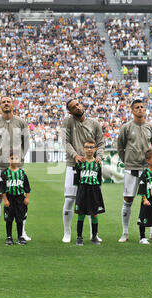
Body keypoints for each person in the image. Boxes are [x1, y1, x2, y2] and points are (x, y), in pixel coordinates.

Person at [0, 96, 30, 241]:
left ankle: (22, 232)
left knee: (19, 198)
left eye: (8, 102)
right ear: (0, 106)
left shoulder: (21, 123)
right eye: (3, 102)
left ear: (13, 105)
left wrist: (20, 158)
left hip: (17, 167)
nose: (6, 104)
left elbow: (26, 143)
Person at [61, 98, 105, 243]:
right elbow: (65, 142)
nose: (78, 108)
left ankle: (94, 234)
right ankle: (67, 233)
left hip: (91, 167)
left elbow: (101, 143)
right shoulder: (67, 122)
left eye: (78, 104)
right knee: (69, 200)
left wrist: (99, 157)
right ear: (70, 111)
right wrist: (75, 155)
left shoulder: (94, 123)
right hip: (73, 165)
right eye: (74, 107)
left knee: (92, 200)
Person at [117, 99, 152, 243]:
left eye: (142, 107)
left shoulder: (151, 127)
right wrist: (127, 161)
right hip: (131, 169)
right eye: (137, 107)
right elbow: (120, 147)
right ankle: (125, 232)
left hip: (146, 169)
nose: (140, 109)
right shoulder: (126, 127)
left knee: (151, 199)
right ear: (132, 110)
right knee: (128, 199)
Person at [74, 138, 105, 246]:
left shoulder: (97, 164)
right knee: (81, 214)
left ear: (95, 149)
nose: (89, 149)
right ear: (83, 149)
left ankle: (94, 236)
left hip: (94, 191)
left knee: (94, 214)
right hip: (82, 190)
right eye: (87, 147)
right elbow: (76, 180)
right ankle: (79, 237)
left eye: (91, 147)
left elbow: (99, 180)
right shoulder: (79, 163)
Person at [0, 150, 31, 246]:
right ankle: (9, 237)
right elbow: (2, 188)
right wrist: (5, 199)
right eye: (12, 158)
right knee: (9, 218)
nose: (14, 160)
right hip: (9, 198)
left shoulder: (22, 173)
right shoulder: (4, 173)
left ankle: (20, 237)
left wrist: (27, 198)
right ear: (8, 159)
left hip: (20, 199)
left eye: (16, 158)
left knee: (20, 218)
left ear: (19, 160)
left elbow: (27, 187)